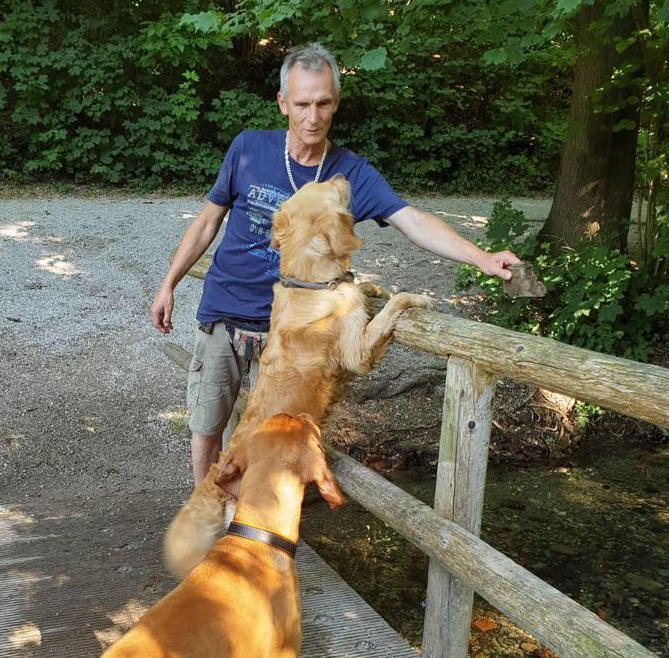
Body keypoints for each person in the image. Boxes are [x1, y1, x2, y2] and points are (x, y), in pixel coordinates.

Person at [150, 43, 520, 485]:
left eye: (323, 103)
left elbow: (413, 221)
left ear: (336, 102)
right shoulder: (248, 148)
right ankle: (209, 516)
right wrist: (168, 282)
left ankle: (257, 532)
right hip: (224, 316)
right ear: (283, 103)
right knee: (208, 431)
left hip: (293, 337)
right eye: (302, 103)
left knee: (277, 444)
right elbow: (208, 220)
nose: (312, 116)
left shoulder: (352, 174)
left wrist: (481, 258)